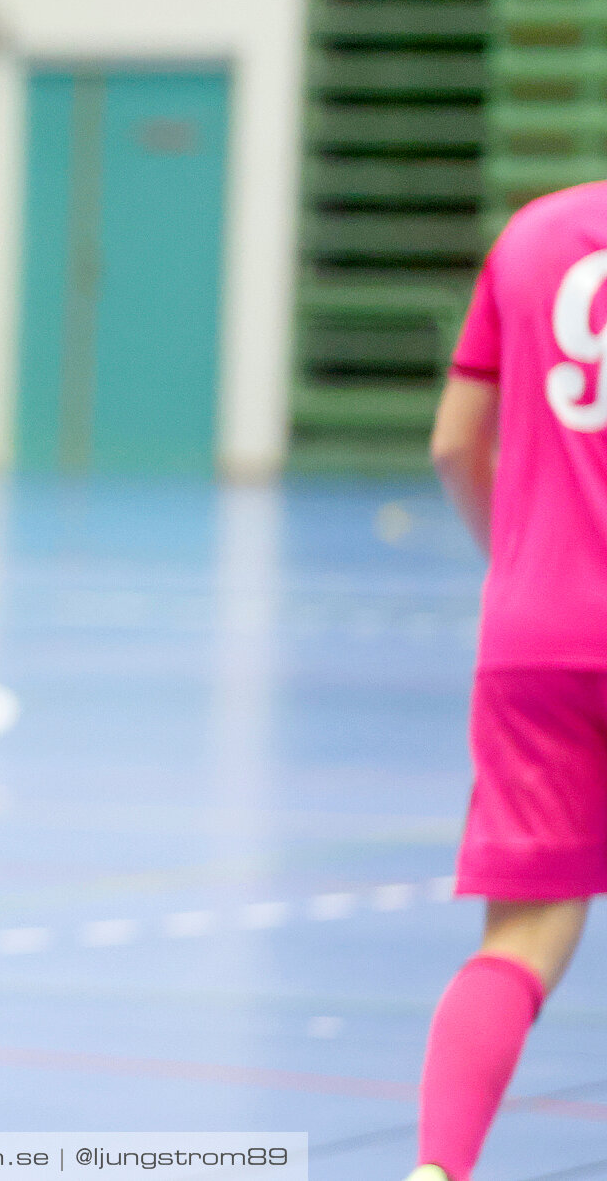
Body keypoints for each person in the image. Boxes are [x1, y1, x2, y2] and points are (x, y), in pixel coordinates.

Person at [409, 180, 607, 1181]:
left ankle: (436, 1171)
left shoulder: (531, 237)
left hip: (538, 633)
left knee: (522, 941)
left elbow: (454, 444)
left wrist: (517, 559)